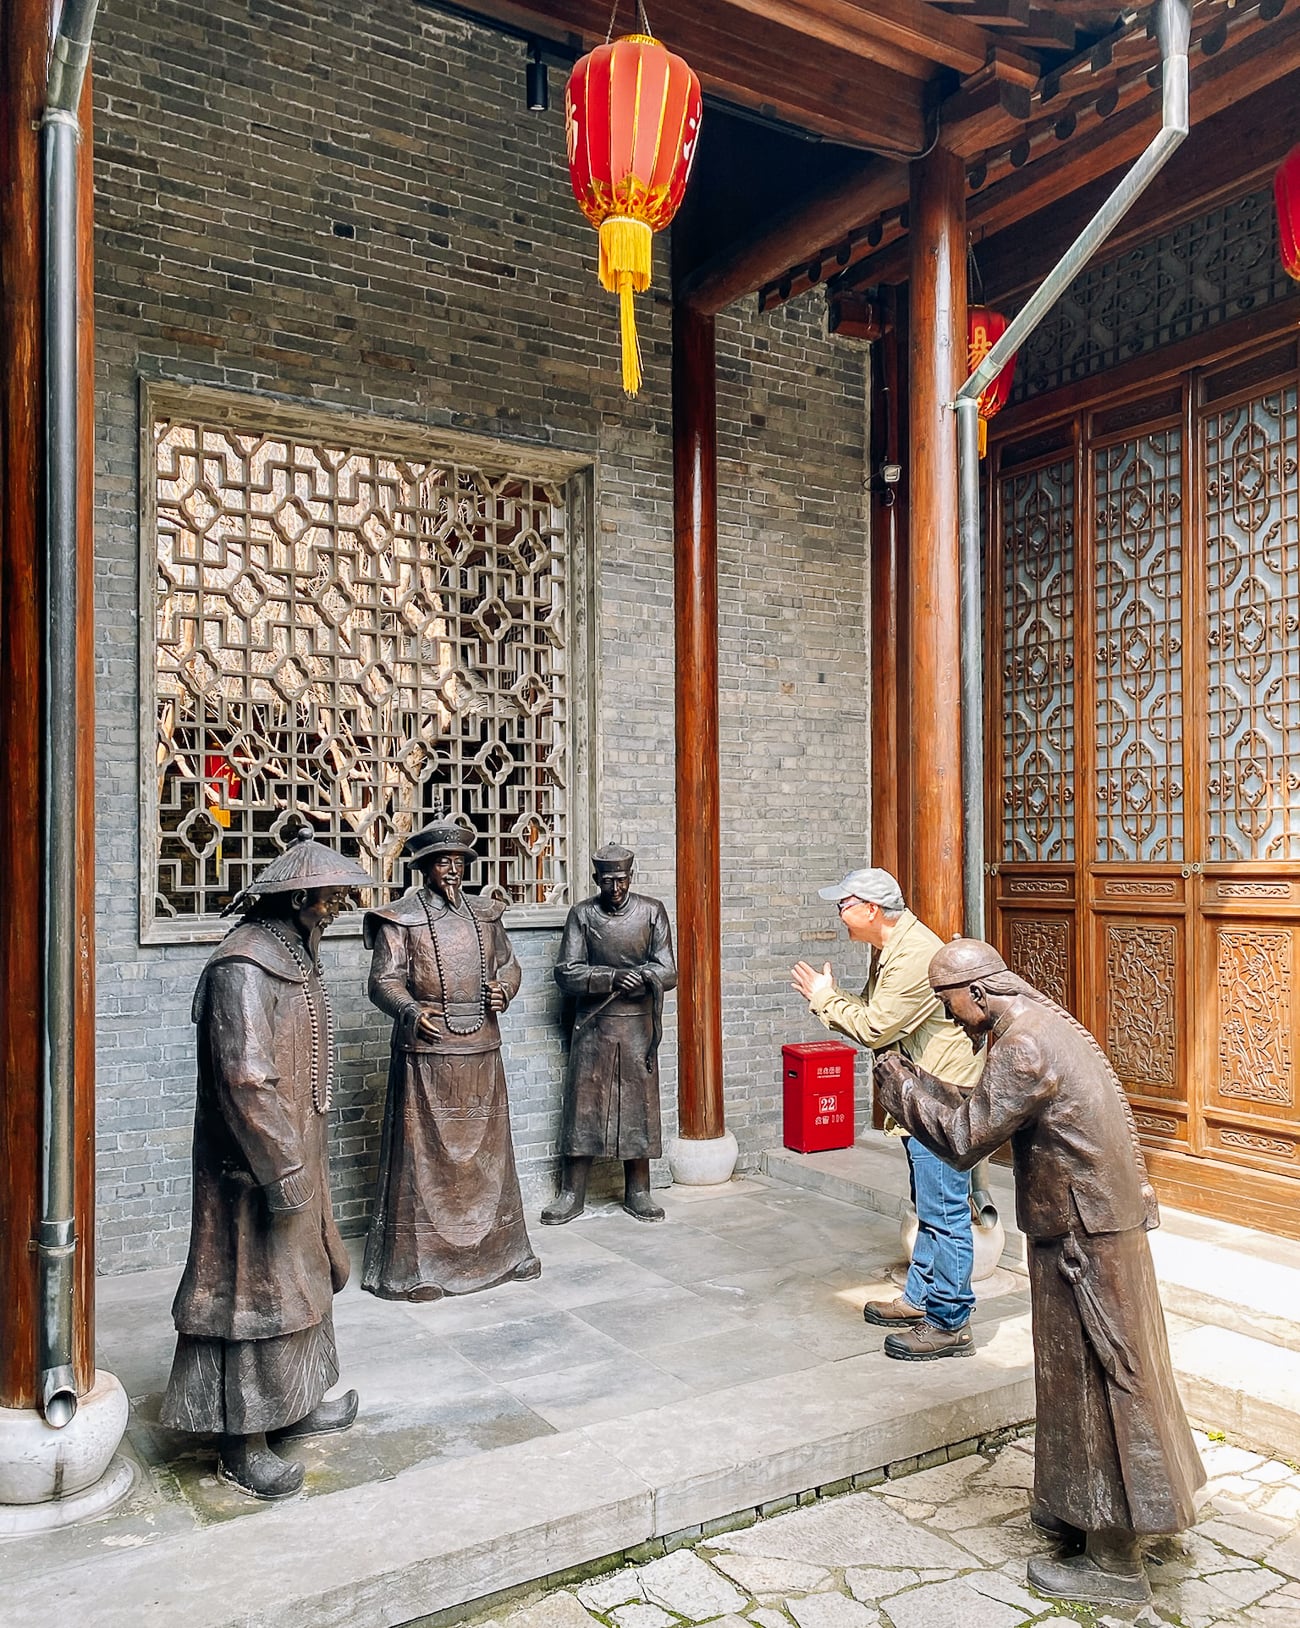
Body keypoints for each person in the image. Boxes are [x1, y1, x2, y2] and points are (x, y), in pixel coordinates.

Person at [874, 939, 1204, 1608]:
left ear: (978, 993)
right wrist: (923, 1082)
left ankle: (1114, 1561)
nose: (952, 1017)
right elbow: (986, 1106)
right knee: (1084, 1373)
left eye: (949, 1003)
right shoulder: (1043, 1025)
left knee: (1097, 1377)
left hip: (1082, 1238)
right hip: (1091, 1225)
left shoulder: (1022, 1046)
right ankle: (1086, 1509)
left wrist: (901, 1091)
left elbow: (966, 1139)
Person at [160, 821, 374, 1500]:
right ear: (296, 900)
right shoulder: (243, 965)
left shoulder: (292, 955)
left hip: (294, 1149)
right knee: (250, 1298)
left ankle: (296, 1403)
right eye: (328, 899)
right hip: (253, 1168)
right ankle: (241, 1444)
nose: (336, 909)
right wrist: (282, 1168)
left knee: (300, 1282)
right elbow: (245, 1078)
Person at [790, 867, 982, 1360]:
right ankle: (921, 1300)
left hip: (939, 1100)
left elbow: (876, 1027)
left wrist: (823, 999)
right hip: (924, 1096)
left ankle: (950, 1323)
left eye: (844, 905)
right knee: (930, 1208)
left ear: (872, 909)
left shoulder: (914, 955)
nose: (839, 914)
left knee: (945, 1213)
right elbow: (877, 1013)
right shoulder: (894, 948)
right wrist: (831, 997)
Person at [361, 820, 540, 1300]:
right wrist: (409, 1009)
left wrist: (505, 988)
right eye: (444, 863)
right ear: (424, 868)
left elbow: (509, 963)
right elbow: (383, 980)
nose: (454, 871)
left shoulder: (486, 915)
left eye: (459, 863)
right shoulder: (401, 920)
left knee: (489, 1157)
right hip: (427, 1051)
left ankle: (504, 1253)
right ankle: (419, 1267)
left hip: (481, 1048)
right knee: (425, 1158)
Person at [543, 844, 677, 1225]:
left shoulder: (651, 912)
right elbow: (566, 971)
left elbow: (669, 970)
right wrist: (610, 977)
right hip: (594, 1027)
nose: (615, 888)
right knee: (584, 1109)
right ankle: (572, 1193)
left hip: (637, 1028)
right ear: (596, 880)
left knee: (639, 1109)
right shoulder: (582, 915)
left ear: (631, 877)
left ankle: (639, 1191)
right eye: (607, 881)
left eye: (621, 880)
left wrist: (644, 976)